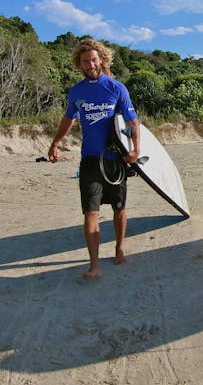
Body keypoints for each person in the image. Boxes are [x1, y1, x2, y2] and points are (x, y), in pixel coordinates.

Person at [48, 38, 140, 279]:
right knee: (90, 212)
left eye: (94, 60)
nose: (90, 65)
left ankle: (119, 248)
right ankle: (94, 264)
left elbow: (132, 122)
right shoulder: (77, 92)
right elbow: (69, 119)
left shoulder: (116, 88)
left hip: (115, 160)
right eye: (85, 61)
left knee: (119, 209)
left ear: (102, 59)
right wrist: (55, 142)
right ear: (79, 64)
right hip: (89, 160)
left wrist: (135, 151)